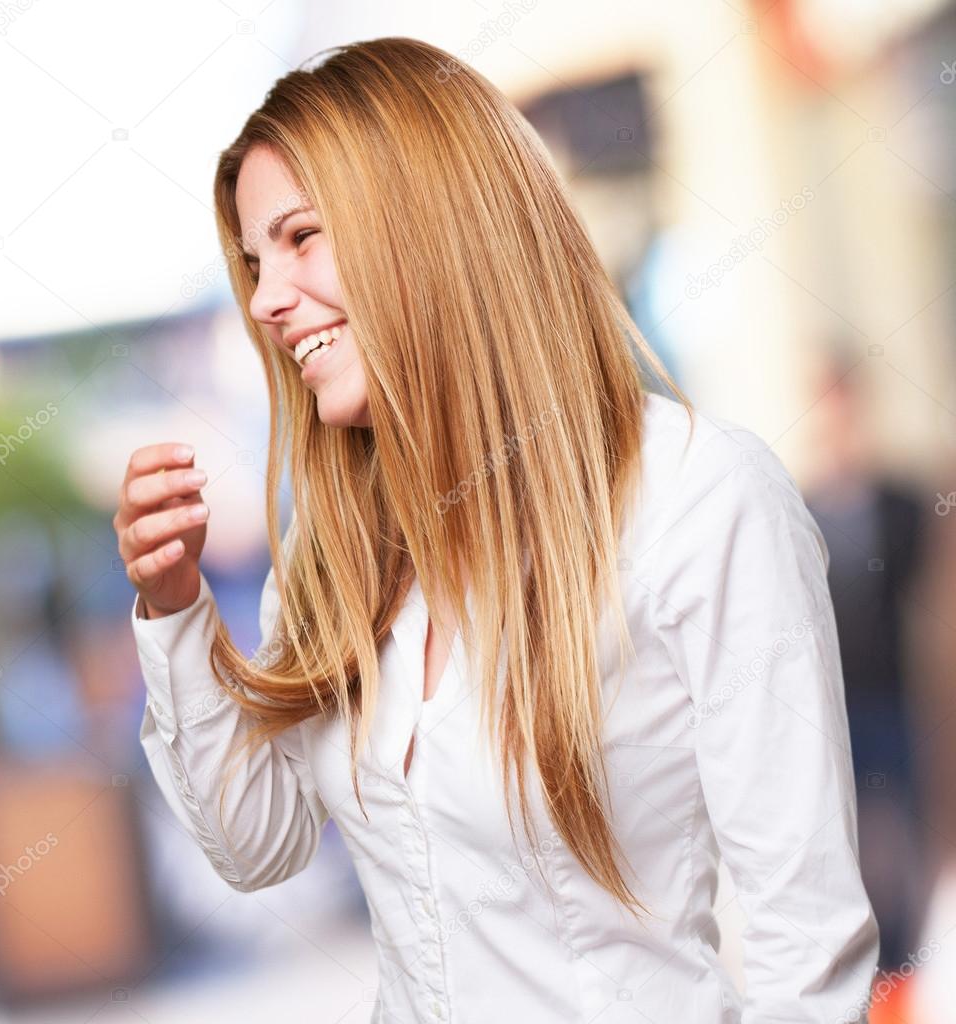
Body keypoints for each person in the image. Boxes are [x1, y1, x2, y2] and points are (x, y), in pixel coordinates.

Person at [112, 36, 879, 1023]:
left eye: (301, 238)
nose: (263, 299)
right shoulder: (331, 546)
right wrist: (172, 608)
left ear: (428, 226)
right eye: (256, 261)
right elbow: (255, 846)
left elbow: (805, 950)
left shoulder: (700, 501)